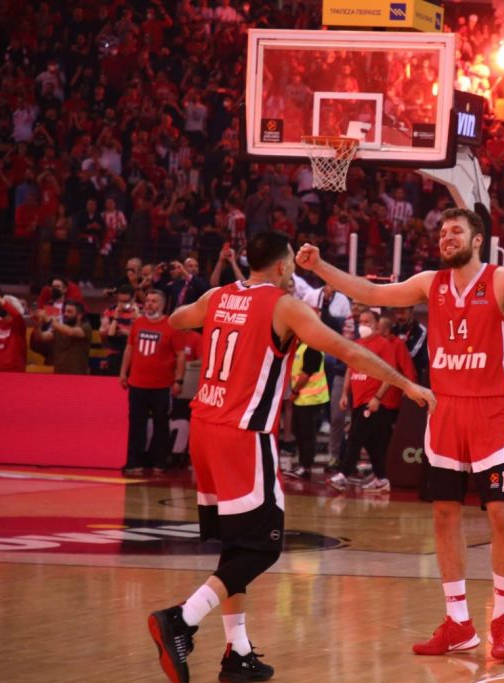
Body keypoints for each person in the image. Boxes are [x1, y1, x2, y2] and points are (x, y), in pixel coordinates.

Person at [296, 207, 504, 661]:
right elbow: (371, 291)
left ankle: (501, 619)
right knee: (444, 514)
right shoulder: (429, 282)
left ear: (478, 240)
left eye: (456, 231)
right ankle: (458, 623)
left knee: (500, 513)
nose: (446, 237)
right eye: (442, 232)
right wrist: (320, 267)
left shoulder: (503, 280)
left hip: (493, 409)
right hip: (445, 408)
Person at [149, 232, 434, 683]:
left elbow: (177, 319)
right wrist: (406, 383)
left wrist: (221, 319)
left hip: (204, 427)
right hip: (243, 434)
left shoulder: (217, 295)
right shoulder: (284, 306)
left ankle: (238, 652)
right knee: (264, 547)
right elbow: (349, 351)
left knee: (237, 546)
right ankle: (182, 619)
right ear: (283, 266)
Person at [328, 308, 416, 493]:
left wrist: (377, 398)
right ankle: (382, 479)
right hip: (358, 399)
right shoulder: (356, 344)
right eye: (361, 321)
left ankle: (343, 475)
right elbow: (350, 369)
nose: (362, 325)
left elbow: (390, 374)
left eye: (367, 322)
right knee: (371, 442)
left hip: (371, 400)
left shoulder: (383, 345)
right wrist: (344, 394)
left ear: (376, 325)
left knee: (355, 437)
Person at [119, 290, 186, 475]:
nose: (149, 304)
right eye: (148, 301)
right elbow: (129, 348)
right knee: (136, 424)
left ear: (162, 305)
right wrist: (123, 372)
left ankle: (160, 463)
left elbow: (181, 355)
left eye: (154, 301)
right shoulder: (138, 323)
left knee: (161, 425)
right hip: (137, 384)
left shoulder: (172, 325)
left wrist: (179, 380)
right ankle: (134, 463)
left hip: (162, 386)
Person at [286, 340, 330, 481]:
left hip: (312, 399)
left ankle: (306, 467)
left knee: (307, 434)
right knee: (299, 431)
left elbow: (306, 374)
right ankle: (302, 464)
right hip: (301, 398)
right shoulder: (300, 347)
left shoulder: (313, 348)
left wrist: (294, 390)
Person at [33, 300, 92, 375]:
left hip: (77, 375)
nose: (65, 314)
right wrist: (37, 326)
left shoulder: (85, 327)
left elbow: (70, 332)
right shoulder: (60, 328)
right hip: (59, 375)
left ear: (79, 316)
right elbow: (41, 337)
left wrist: (49, 320)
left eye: (69, 312)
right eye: (65, 311)